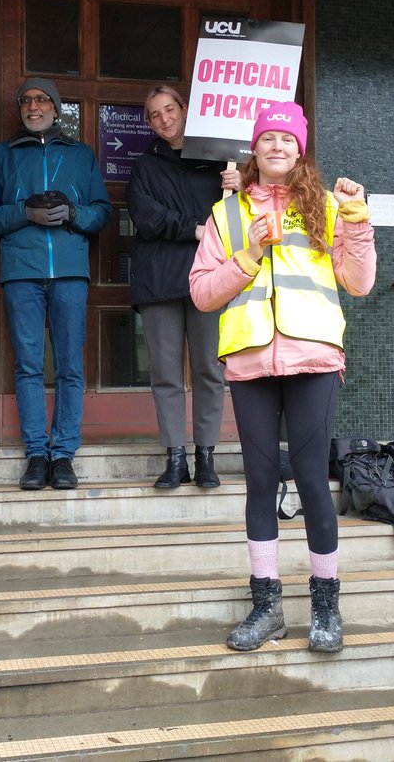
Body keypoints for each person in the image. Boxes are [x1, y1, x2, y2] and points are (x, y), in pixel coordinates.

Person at [189, 101, 375, 653]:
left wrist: (358, 221)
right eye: (266, 138)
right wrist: (248, 255)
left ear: (300, 148)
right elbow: (201, 293)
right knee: (260, 482)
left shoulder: (329, 205)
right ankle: (267, 606)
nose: (276, 146)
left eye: (286, 139)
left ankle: (326, 605)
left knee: (315, 478)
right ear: (255, 148)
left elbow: (358, 282)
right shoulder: (226, 214)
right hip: (249, 361)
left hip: (313, 356)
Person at [0, 78, 112, 490]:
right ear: (20, 109)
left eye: (42, 99)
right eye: (27, 101)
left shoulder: (80, 155)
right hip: (22, 272)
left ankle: (63, 454)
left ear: (56, 107)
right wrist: (23, 212)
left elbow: (102, 211)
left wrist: (73, 213)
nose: (34, 106)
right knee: (28, 366)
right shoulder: (1, 156)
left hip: (69, 271)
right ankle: (36, 454)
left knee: (70, 366)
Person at [127, 86, 239, 489]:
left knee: (210, 369)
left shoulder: (219, 164)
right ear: (149, 122)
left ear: (185, 110)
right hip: (159, 281)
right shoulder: (144, 166)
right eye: (155, 114)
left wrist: (243, 183)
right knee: (165, 373)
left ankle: (206, 456)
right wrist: (193, 228)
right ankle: (175, 458)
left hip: (211, 278)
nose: (164, 119)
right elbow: (145, 216)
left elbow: (241, 216)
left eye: (170, 109)